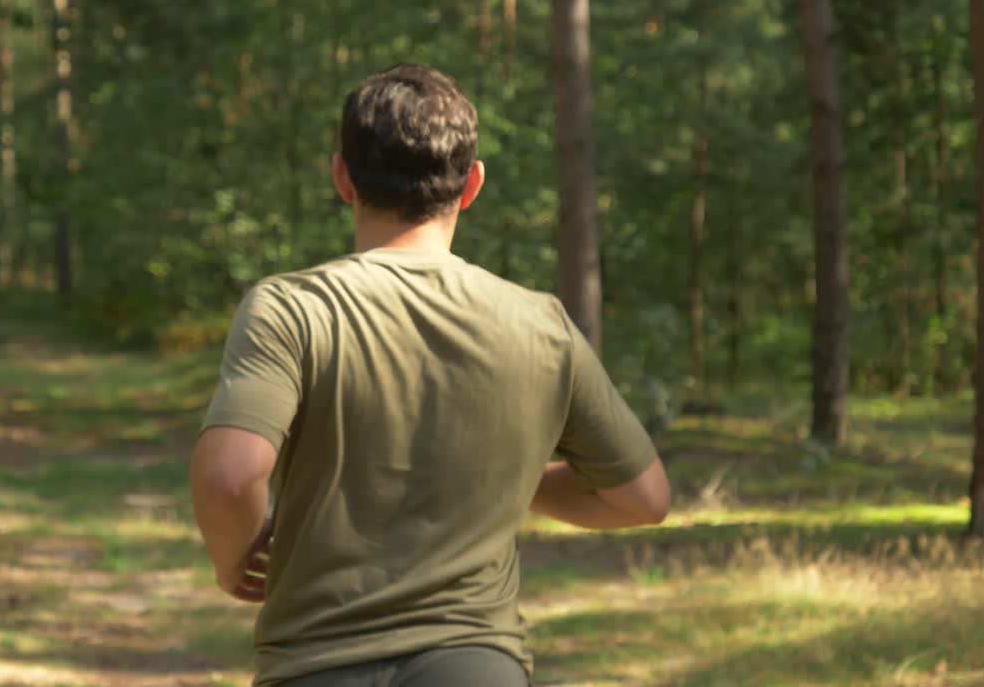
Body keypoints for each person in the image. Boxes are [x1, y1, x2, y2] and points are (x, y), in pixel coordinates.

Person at [190, 63, 669, 687]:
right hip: (477, 667)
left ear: (342, 176)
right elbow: (643, 498)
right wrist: (507, 475)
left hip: (316, 665)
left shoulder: (291, 309)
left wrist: (234, 563)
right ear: (471, 185)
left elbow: (230, 477)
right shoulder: (541, 324)